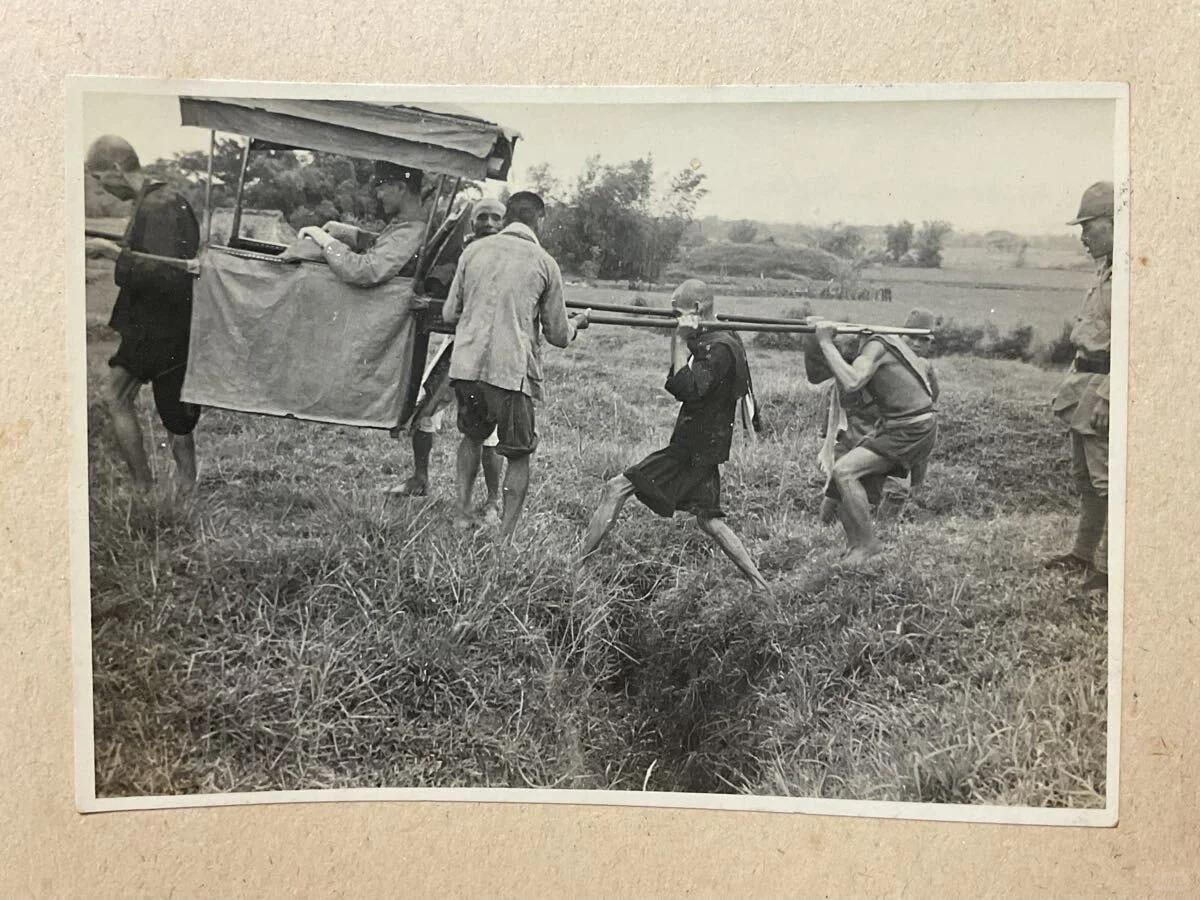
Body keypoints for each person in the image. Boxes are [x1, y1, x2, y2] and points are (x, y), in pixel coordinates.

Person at [580, 280, 768, 591]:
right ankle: (761, 586)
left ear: (696, 309)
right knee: (711, 521)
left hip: (690, 450)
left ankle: (577, 567)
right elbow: (681, 380)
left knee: (615, 489)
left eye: (675, 311)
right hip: (705, 449)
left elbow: (687, 389)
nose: (672, 317)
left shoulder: (720, 347)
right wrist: (681, 337)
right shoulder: (718, 337)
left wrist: (680, 341)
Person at [442, 191, 589, 540]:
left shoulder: (473, 251)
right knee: (519, 454)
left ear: (507, 216)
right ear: (540, 219)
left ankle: (461, 515)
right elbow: (557, 334)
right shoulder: (544, 262)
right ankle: (504, 537)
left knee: (472, 437)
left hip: (466, 367)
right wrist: (577, 324)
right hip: (510, 374)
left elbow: (450, 313)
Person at [84, 135, 201, 496]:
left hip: (162, 327)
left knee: (168, 413)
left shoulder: (159, 204)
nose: (102, 189)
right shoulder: (153, 200)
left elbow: (172, 272)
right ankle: (154, 487)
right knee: (136, 400)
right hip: (155, 325)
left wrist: (111, 254)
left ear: (118, 168)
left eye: (100, 179)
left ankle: (165, 488)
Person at [387, 199, 507, 524]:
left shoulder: (509, 258)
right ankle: (420, 479)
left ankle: (494, 501)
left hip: (491, 356)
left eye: (497, 218)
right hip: (459, 346)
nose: (490, 223)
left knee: (488, 433)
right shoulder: (463, 253)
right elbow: (451, 300)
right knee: (424, 409)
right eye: (483, 217)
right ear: (474, 223)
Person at [812, 310, 939, 568]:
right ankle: (855, 546)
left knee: (846, 472)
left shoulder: (877, 346)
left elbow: (852, 381)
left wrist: (824, 342)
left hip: (909, 429)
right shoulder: (888, 347)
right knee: (841, 475)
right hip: (900, 426)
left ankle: (868, 545)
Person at [1043, 181, 1114, 596]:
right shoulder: (1104, 270)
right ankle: (1083, 553)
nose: (1083, 236)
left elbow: (1135, 341)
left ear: (1114, 224)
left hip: (1103, 388)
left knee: (1106, 481)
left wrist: (1108, 393)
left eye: (1090, 226)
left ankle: (1107, 568)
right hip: (1083, 385)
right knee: (1084, 478)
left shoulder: (1131, 270)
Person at [295, 161, 429, 287]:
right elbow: (385, 246)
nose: (379, 196)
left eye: (381, 189)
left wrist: (325, 240)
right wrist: (349, 233)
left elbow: (365, 271)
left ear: (400, 188)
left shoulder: (413, 231)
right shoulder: (407, 225)